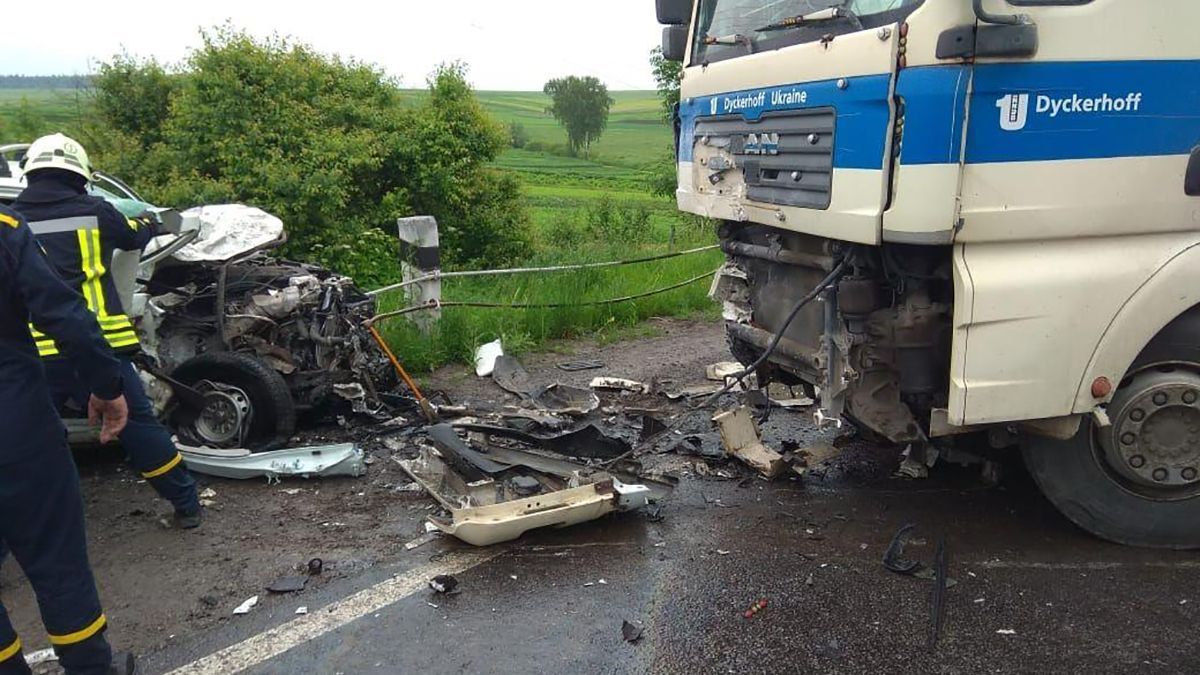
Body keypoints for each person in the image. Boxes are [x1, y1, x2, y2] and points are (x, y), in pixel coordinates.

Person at [13, 133, 201, 529]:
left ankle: (25, 527)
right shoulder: (96, 211)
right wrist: (151, 220)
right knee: (139, 428)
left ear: (30, 173)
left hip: (33, 352)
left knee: (26, 439)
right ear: (80, 175)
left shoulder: (10, 221)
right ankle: (187, 506)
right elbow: (136, 233)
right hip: (99, 348)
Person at [0, 203, 135, 674]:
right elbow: (65, 316)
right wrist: (107, 385)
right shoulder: (5, 228)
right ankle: (91, 668)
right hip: (17, 430)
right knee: (57, 561)